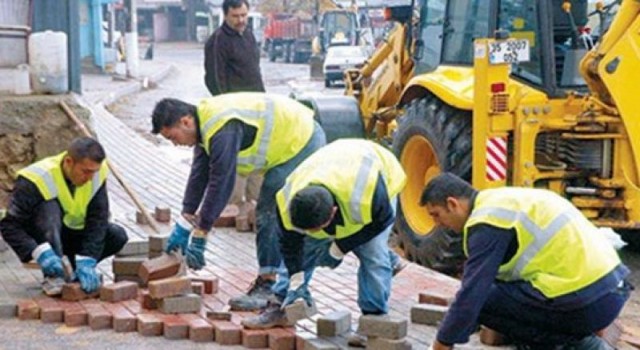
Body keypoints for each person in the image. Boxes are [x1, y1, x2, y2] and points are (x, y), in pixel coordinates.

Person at [150, 92, 326, 311]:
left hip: (303, 140)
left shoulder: (222, 127)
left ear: (185, 121)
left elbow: (221, 180)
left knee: (270, 206)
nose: (175, 144)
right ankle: (274, 279)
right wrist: (185, 221)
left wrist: (202, 231)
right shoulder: (205, 127)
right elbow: (199, 174)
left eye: (172, 137)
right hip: (290, 141)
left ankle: (269, 284)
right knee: (269, 204)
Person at [421, 173, 632, 350]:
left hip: (587, 303)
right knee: (495, 295)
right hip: (612, 289)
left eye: (437, 215)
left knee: (483, 301)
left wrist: (442, 343)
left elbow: (473, 293)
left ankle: (581, 344)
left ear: (452, 204)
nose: (438, 224)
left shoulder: (487, 222)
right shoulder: (502, 200)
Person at [242, 139, 408, 348]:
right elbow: (291, 247)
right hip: (332, 164)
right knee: (308, 245)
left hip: (380, 173)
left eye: (317, 228)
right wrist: (296, 281)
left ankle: (373, 320)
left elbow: (381, 221)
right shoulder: (287, 201)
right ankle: (282, 305)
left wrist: (338, 248)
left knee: (372, 253)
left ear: (333, 212)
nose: (313, 233)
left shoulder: (365, 193)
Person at [0, 137, 128, 294]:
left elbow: (98, 220)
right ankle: (53, 274)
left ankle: (73, 270)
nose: (90, 178)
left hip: (71, 236)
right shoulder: (36, 178)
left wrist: (87, 258)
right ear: (68, 162)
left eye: (94, 172)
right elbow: (9, 225)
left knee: (117, 235)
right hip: (46, 239)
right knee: (49, 209)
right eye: (85, 172)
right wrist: (37, 252)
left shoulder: (96, 175)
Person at [204, 0, 265, 228]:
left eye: (244, 15)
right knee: (238, 158)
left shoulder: (248, 35)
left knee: (259, 154)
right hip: (235, 110)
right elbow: (214, 78)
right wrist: (228, 107)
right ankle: (236, 208)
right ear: (225, 16)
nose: (240, 20)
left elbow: (254, 70)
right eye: (235, 16)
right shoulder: (218, 40)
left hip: (257, 106)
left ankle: (254, 203)